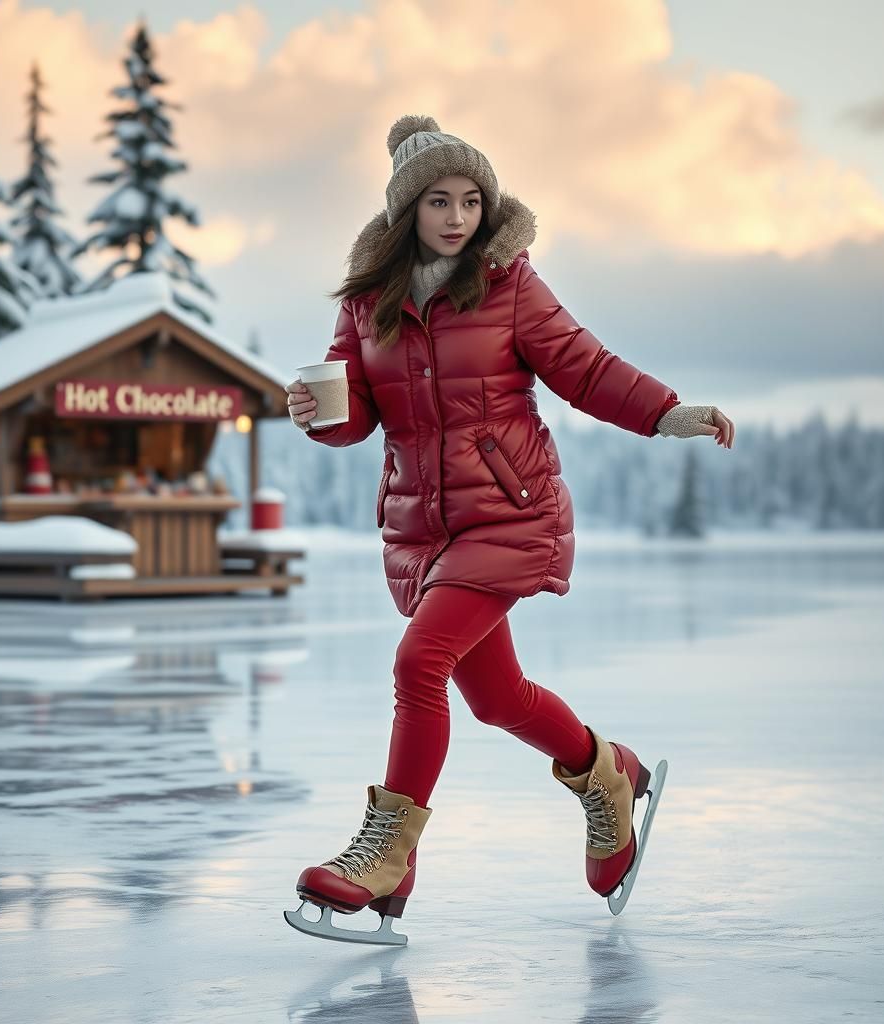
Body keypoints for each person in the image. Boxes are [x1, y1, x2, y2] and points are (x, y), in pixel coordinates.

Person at [284, 114, 735, 945]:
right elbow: (357, 414)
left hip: (510, 512)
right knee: (496, 699)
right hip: (422, 527)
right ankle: (608, 773)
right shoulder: (367, 303)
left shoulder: (509, 285)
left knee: (419, 662)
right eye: (439, 201)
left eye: (471, 200)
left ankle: (386, 856)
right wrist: (319, 414)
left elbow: (585, 367)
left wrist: (666, 412)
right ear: (407, 211)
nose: (458, 216)